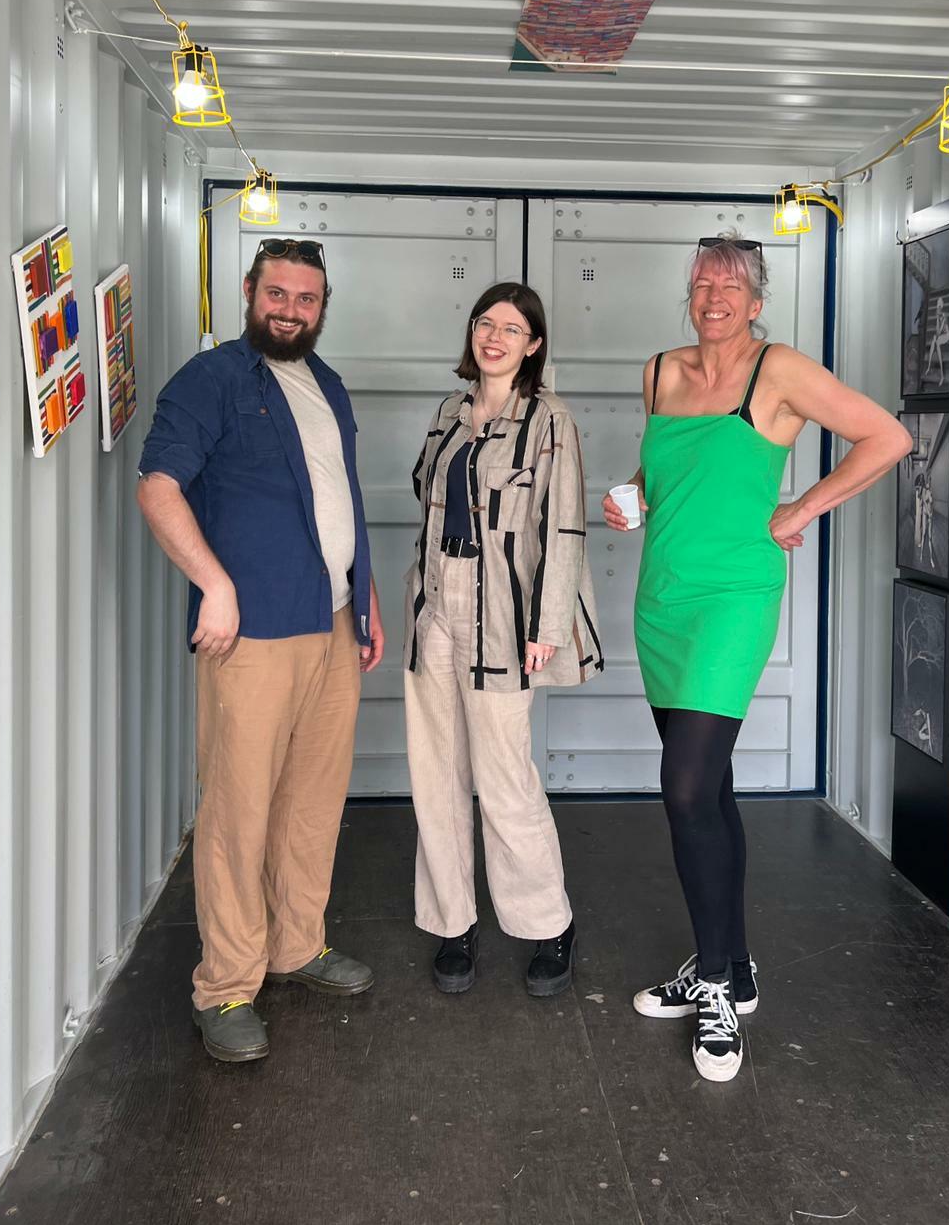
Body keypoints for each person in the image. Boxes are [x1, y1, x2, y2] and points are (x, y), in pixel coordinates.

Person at [604, 234, 909, 1084]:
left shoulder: (778, 370)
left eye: (730, 284)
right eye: (702, 282)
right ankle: (732, 972)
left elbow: (885, 438)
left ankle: (712, 988)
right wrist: (633, 494)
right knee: (715, 791)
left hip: (734, 598)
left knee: (687, 786)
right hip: (662, 597)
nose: (713, 296)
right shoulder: (662, 370)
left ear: (757, 298)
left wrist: (802, 506)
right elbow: (668, 466)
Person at [137, 237, 385, 1064]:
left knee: (312, 803)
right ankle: (228, 985)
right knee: (239, 811)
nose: (290, 309)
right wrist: (214, 582)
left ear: (322, 308)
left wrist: (368, 596)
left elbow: (338, 498)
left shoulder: (327, 384)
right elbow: (159, 486)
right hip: (252, 635)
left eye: (306, 299)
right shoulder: (210, 380)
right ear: (250, 293)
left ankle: (295, 946)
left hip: (334, 624)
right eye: (277, 293)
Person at [404, 281, 603, 997]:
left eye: (512, 329)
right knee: (437, 774)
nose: (494, 337)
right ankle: (453, 922)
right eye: (485, 324)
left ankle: (549, 924)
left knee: (505, 779)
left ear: (534, 345)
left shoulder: (549, 420)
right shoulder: (449, 412)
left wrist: (547, 628)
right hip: (436, 610)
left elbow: (566, 526)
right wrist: (425, 607)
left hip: (502, 615)